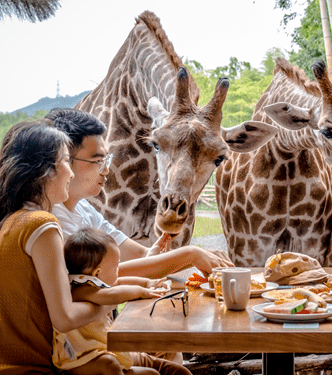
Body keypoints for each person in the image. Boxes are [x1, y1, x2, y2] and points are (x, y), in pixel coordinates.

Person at [0, 121, 167, 375]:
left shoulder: (16, 219)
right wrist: (115, 298)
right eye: (65, 162)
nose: (71, 172)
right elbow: (64, 317)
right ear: (45, 172)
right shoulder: (42, 224)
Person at [44, 108, 233, 278]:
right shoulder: (54, 218)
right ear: (64, 160)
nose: (106, 170)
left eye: (107, 160)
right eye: (98, 161)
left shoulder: (83, 208)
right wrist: (190, 255)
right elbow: (95, 280)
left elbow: (141, 256)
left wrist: (180, 256)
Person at [54, 227, 196, 375]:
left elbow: (118, 281)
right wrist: (141, 292)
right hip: (77, 359)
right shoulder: (79, 289)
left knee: (115, 362)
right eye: (115, 267)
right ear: (97, 273)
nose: (118, 271)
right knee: (108, 365)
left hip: (93, 349)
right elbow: (112, 293)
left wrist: (147, 283)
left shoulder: (91, 280)